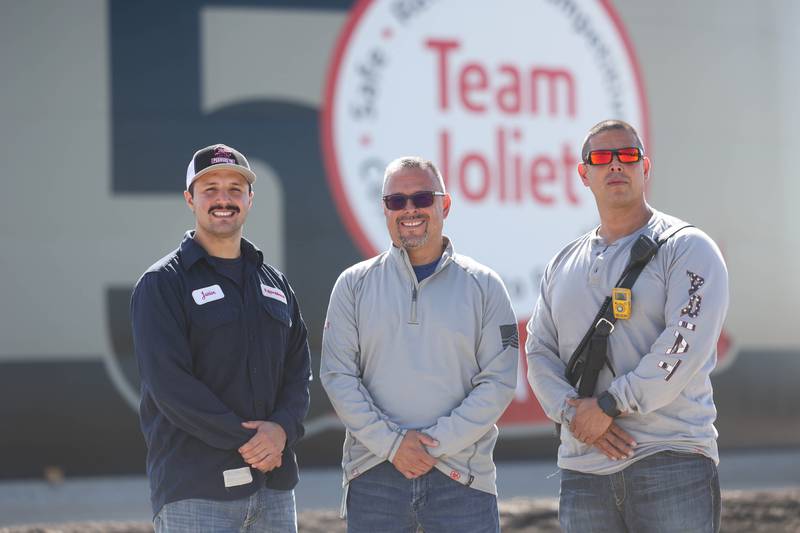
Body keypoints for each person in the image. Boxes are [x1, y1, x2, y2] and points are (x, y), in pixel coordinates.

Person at [526, 120, 729, 532]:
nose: (616, 164)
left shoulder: (688, 248)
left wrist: (606, 407)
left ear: (645, 167)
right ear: (584, 174)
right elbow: (538, 351)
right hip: (583, 471)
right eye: (602, 157)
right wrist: (574, 414)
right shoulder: (561, 264)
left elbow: (681, 347)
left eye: (627, 155)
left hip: (671, 461)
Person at [320, 156, 518, 532]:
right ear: (385, 210)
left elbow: (498, 383)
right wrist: (393, 446)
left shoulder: (486, 286)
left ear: (444, 204)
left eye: (422, 198)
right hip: (375, 477)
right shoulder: (353, 285)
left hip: (462, 480)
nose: (409, 209)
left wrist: (430, 445)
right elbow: (337, 377)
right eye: (397, 201)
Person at [131, 143, 312, 532]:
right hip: (197, 492)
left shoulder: (275, 283)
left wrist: (280, 430)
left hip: (274, 489)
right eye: (210, 189)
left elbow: (299, 373)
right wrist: (251, 441)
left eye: (234, 188)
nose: (223, 199)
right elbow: (170, 385)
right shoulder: (162, 283)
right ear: (189, 199)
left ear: (249, 199)